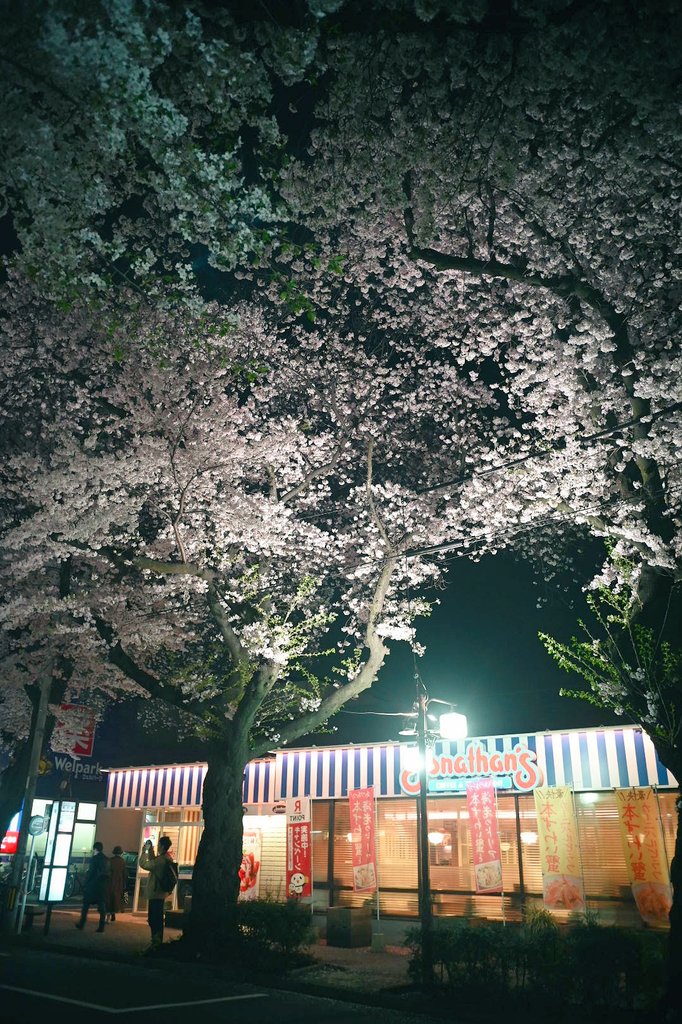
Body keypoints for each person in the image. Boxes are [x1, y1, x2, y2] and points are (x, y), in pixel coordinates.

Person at [139, 835, 176, 946]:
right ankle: (156, 940)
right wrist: (151, 851)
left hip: (156, 893)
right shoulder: (167, 858)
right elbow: (154, 862)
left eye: (159, 844)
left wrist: (144, 852)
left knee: (154, 919)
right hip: (161, 893)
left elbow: (144, 864)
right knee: (158, 918)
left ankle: (156, 941)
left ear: (162, 846)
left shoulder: (161, 860)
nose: (158, 846)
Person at [75, 841, 109, 932]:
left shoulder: (94, 859)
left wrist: (85, 883)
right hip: (102, 886)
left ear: (95, 849)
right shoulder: (106, 859)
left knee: (86, 905)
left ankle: (81, 923)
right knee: (102, 906)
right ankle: (101, 926)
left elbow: (91, 872)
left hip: (93, 885)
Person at [105, 845, 128, 922]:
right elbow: (125, 873)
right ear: (120, 853)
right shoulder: (123, 861)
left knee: (109, 899)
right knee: (116, 898)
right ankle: (113, 914)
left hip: (111, 882)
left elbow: (107, 871)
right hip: (119, 882)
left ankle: (108, 916)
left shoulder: (110, 860)